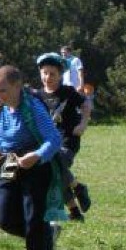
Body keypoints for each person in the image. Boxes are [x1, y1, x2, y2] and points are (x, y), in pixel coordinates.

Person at [0, 65, 63, 250]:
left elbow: (54, 139)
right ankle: (47, 236)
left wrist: (36, 155)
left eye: (3, 90)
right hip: (8, 166)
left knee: (33, 218)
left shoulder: (34, 107)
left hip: (35, 167)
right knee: (5, 220)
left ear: (17, 86)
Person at [35, 53, 92, 221]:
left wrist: (83, 124)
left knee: (55, 166)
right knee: (55, 174)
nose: (48, 77)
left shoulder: (67, 92)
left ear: (60, 75)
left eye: (52, 74)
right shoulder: (37, 96)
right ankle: (75, 207)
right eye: (45, 73)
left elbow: (86, 104)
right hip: (47, 143)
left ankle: (78, 188)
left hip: (67, 141)